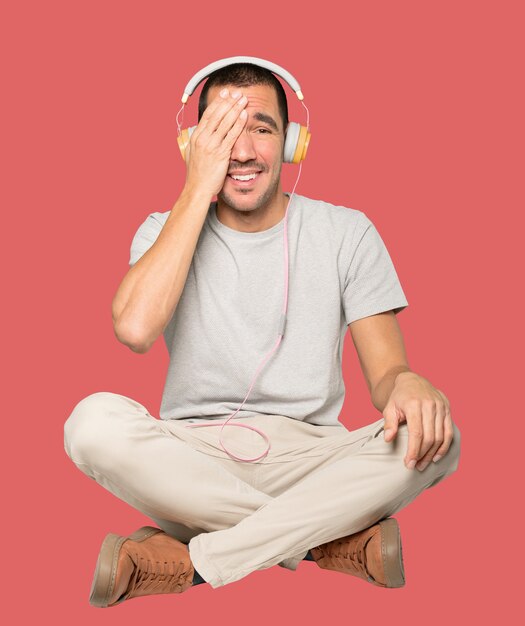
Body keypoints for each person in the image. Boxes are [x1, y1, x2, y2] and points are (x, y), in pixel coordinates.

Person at [63, 60, 461, 608]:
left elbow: (387, 374)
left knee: (439, 438)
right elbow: (134, 330)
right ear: (192, 144)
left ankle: (197, 561)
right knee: (90, 424)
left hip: (315, 459)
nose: (243, 151)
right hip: (194, 460)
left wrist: (411, 383)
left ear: (293, 142)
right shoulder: (163, 229)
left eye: (261, 128)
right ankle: (326, 539)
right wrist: (196, 188)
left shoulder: (346, 232)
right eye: (222, 131)